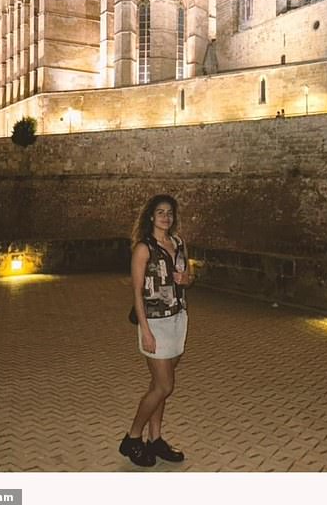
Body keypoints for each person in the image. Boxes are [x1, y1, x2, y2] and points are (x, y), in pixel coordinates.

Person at [119, 194, 193, 467]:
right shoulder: (143, 248)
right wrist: (146, 331)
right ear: (151, 216)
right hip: (154, 322)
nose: (166, 217)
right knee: (164, 385)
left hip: (177, 319)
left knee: (158, 386)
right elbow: (137, 292)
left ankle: (156, 439)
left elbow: (187, 277)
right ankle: (132, 438)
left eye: (170, 212)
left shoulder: (177, 243)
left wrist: (187, 279)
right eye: (160, 212)